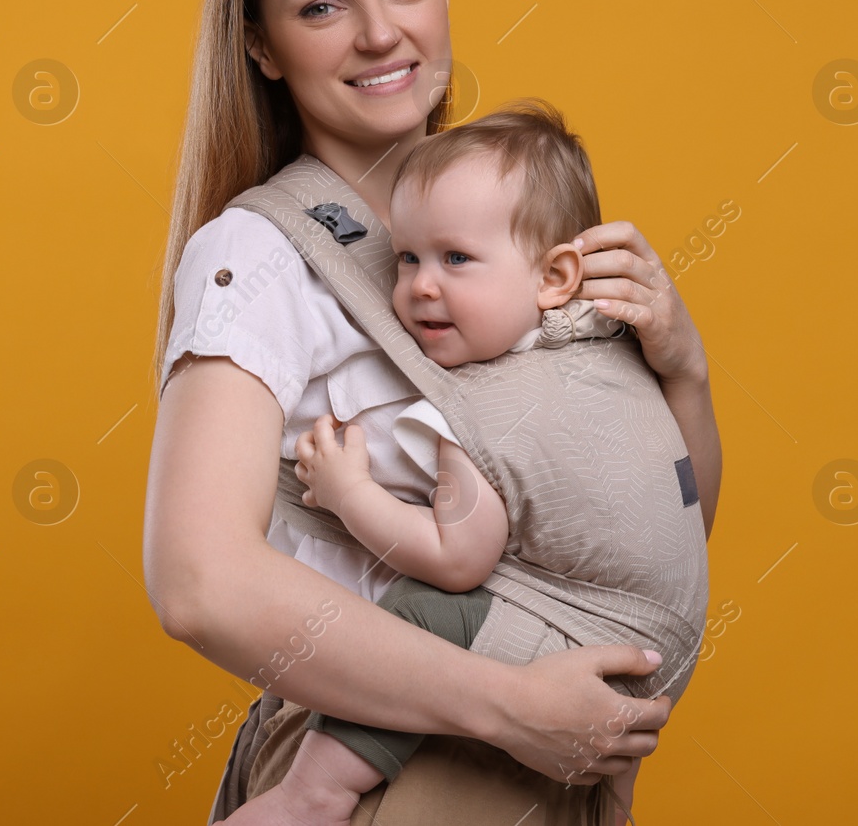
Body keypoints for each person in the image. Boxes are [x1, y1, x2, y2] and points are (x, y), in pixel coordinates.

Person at [143, 0, 722, 824]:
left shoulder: (507, 223)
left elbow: (654, 531)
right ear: (262, 46)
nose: (379, 33)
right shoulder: (261, 255)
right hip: (393, 757)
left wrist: (684, 372)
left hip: (552, 748)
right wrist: (511, 705)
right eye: (321, 6)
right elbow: (198, 581)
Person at [221, 102, 709, 826]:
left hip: (587, 639)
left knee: (424, 613)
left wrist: (350, 491)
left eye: (456, 259)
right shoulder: (608, 347)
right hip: (653, 649)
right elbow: (684, 500)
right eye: (409, 257)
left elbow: (458, 558)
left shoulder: (482, 405)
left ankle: (309, 796)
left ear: (555, 276)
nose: (420, 285)